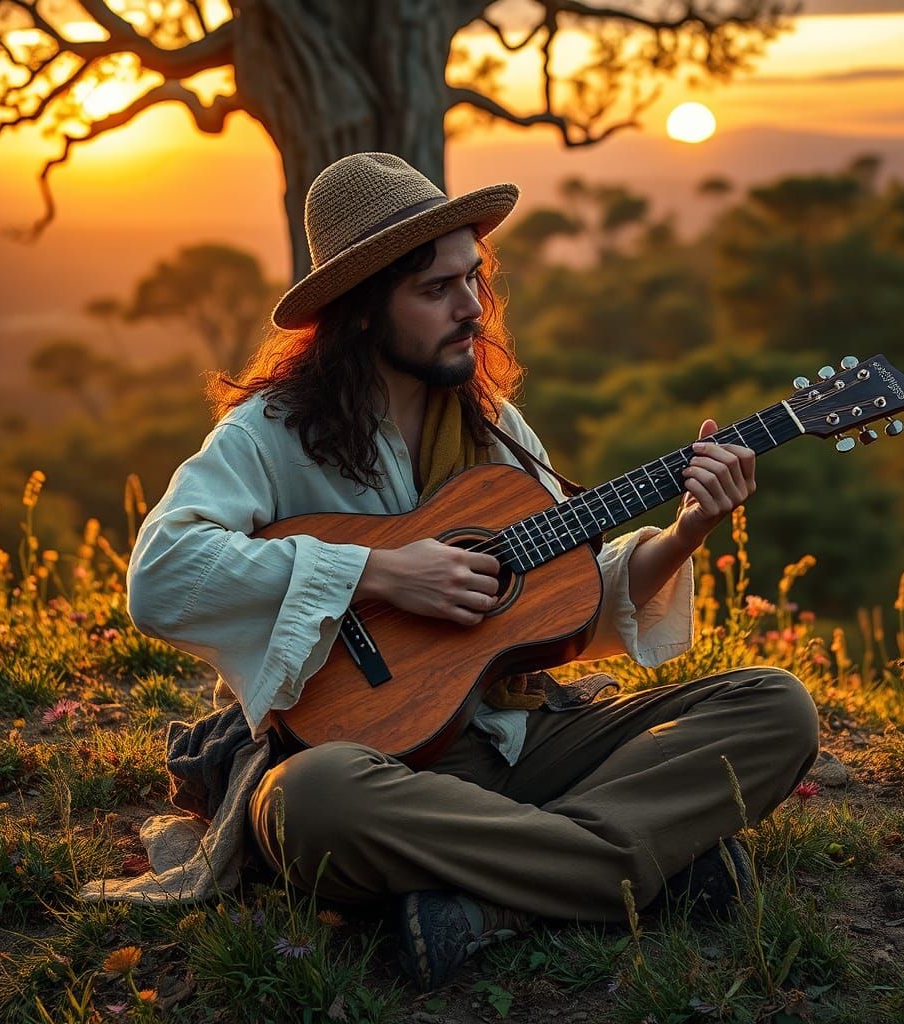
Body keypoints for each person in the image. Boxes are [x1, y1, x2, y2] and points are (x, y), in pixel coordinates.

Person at [121, 152, 819, 992]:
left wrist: (686, 531)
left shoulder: (495, 428)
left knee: (775, 706)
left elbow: (564, 605)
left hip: (516, 740)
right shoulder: (268, 435)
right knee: (306, 803)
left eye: (473, 278)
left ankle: (501, 892)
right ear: (361, 311)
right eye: (437, 289)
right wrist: (379, 573)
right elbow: (161, 575)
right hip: (372, 767)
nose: (471, 308)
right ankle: (639, 869)